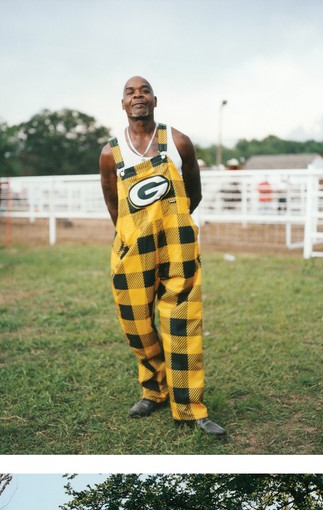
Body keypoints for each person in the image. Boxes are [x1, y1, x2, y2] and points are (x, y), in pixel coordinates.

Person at [99, 76, 226, 440]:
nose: (137, 96)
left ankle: (190, 408)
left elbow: (193, 193)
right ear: (122, 103)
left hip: (177, 247)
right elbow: (113, 203)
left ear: (155, 99)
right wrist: (134, 233)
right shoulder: (110, 152)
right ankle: (154, 389)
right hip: (131, 250)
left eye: (144, 91)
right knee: (136, 325)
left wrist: (172, 227)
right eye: (129, 92)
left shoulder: (178, 142)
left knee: (183, 324)